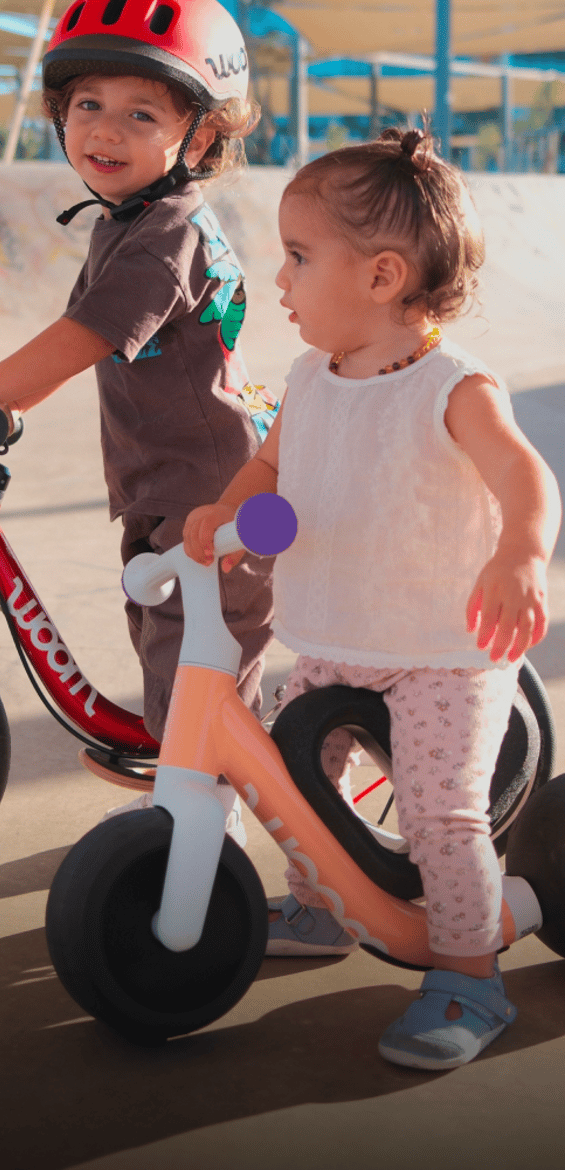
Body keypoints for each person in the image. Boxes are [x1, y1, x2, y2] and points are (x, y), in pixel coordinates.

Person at [183, 125, 561, 1070]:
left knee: (440, 815)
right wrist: (228, 513)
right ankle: (322, 907)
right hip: (336, 634)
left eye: (299, 258)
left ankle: (471, 978)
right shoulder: (313, 378)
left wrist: (521, 551)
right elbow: (271, 463)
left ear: (384, 276)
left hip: (441, 650)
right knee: (297, 778)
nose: (280, 282)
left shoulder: (451, 385)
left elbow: (526, 477)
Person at [0, 0, 278, 835]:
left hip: (210, 498)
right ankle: (196, 783)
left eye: (141, 113)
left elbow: (85, 336)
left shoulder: (168, 233)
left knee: (200, 669)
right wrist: (6, 399)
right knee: (176, 652)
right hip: (168, 489)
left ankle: (208, 843)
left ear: (198, 138)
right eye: (87, 104)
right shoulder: (129, 224)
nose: (106, 130)